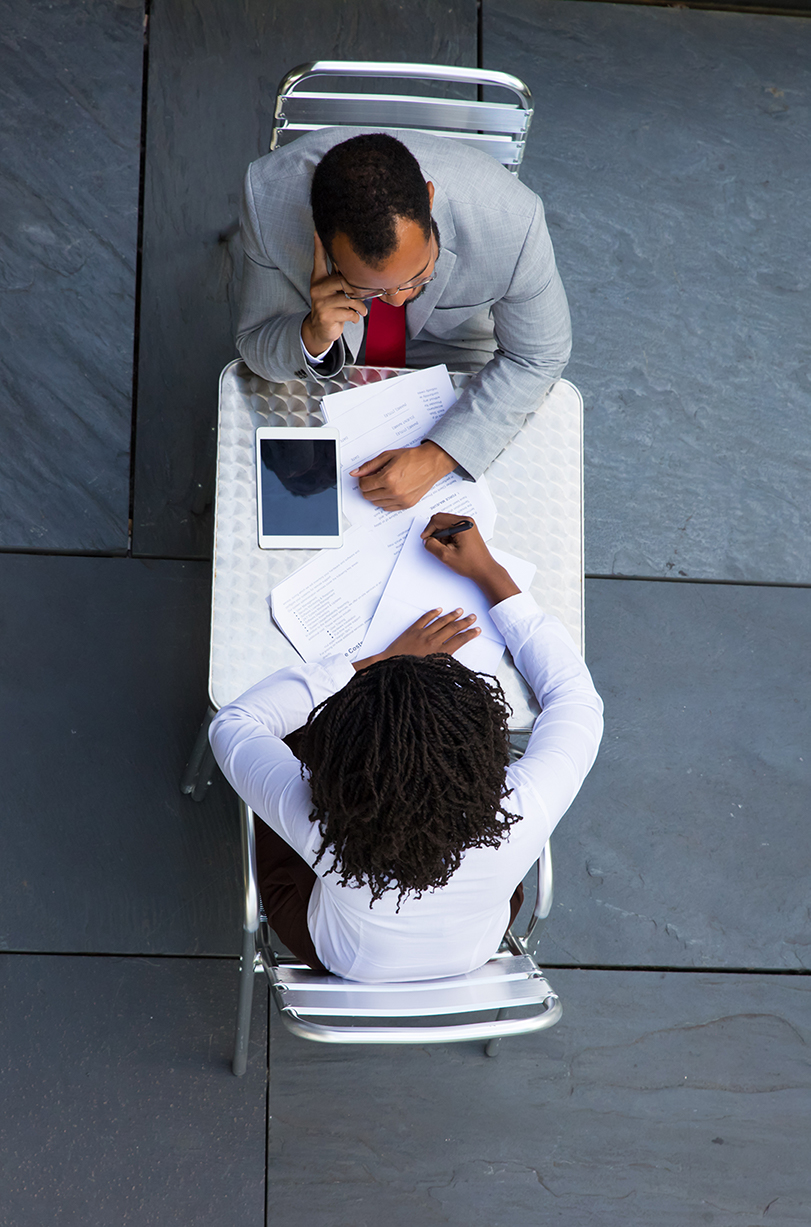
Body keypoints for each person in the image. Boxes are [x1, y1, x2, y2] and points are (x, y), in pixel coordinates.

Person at [209, 515, 603, 984]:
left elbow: (233, 723)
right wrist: (490, 573)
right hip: (473, 950)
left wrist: (379, 661)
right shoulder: (526, 806)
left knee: (293, 736)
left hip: (342, 954)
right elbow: (576, 698)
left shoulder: (318, 823)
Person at [237, 129, 572, 511]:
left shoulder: (513, 223)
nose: (396, 299)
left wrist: (438, 457)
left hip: (453, 349)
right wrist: (312, 335)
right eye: (369, 287)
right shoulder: (267, 198)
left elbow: (540, 355)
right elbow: (255, 341)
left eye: (418, 274)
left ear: (429, 201)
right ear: (322, 240)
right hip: (332, 358)